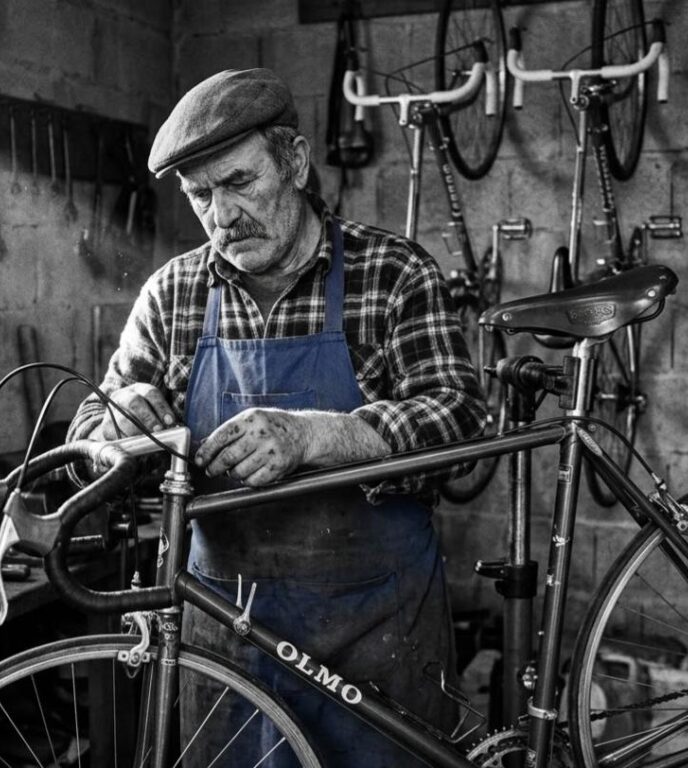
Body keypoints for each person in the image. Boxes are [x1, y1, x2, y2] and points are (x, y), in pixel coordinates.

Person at [67, 67, 486, 766]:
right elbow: (91, 422)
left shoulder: (393, 274)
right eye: (201, 196)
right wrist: (119, 427)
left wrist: (320, 435)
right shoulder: (173, 294)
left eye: (238, 183)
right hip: (225, 636)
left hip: (375, 632)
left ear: (294, 162)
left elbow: (463, 421)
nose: (223, 215)